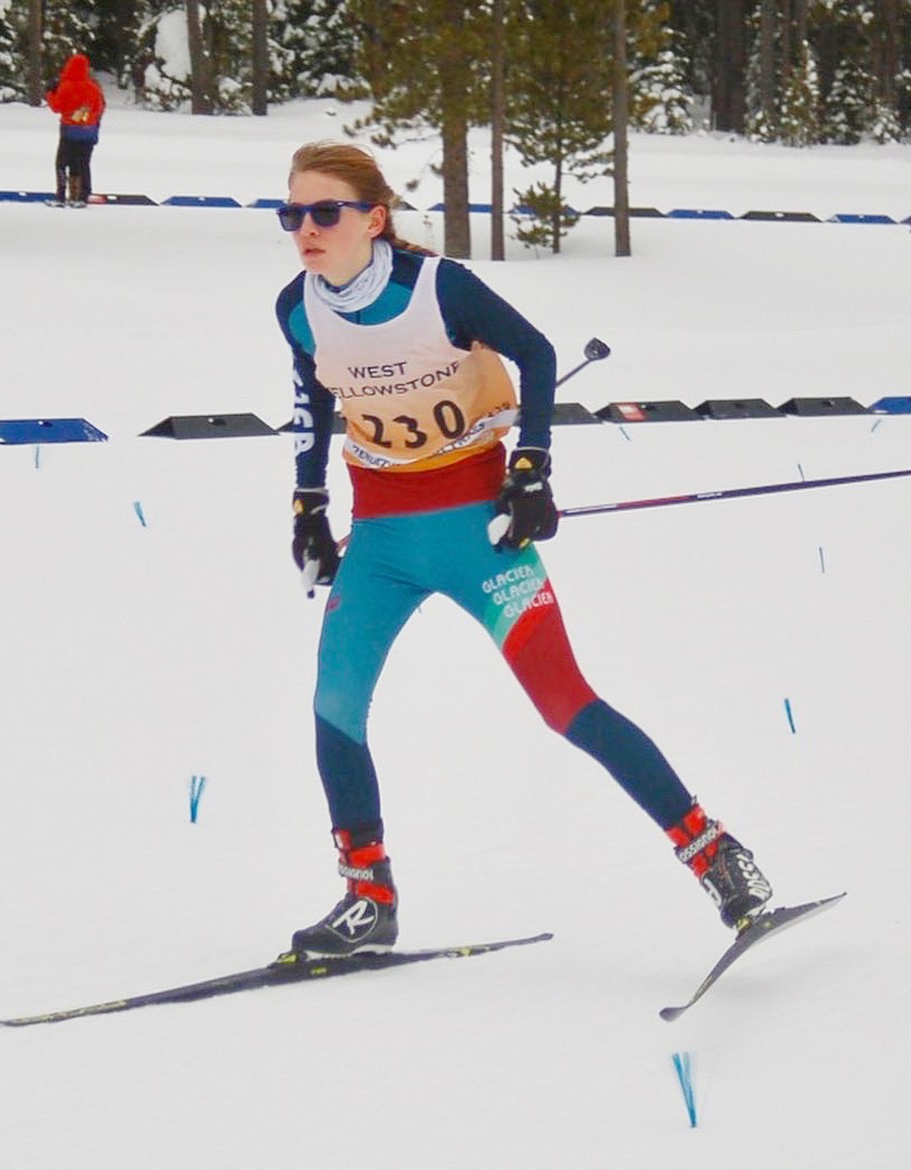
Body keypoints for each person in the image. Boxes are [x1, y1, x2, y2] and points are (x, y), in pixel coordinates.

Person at [274, 141, 774, 958]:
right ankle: (369, 897)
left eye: (324, 212)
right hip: (380, 543)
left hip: (478, 537)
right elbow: (309, 402)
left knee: (565, 704)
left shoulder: (438, 289)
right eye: (291, 213)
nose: (306, 229)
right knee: (335, 707)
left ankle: (719, 858)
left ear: (374, 218)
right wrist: (308, 503)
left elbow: (537, 354)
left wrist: (531, 469)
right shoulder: (297, 306)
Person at [45, 53, 106, 207]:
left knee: (61, 163)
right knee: (81, 163)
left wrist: (50, 93)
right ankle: (80, 196)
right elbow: (98, 108)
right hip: (88, 131)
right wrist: (86, 118)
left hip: (69, 130)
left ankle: (60, 195)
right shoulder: (93, 87)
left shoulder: (66, 86)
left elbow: (56, 107)